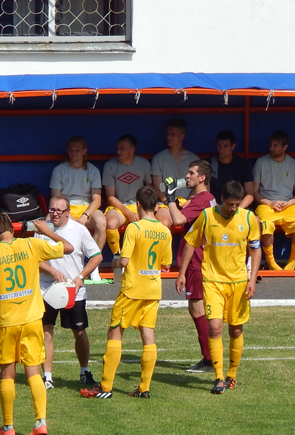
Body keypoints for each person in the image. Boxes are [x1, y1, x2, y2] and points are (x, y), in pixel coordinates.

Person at [0, 214, 72, 435]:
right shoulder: (31, 244)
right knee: (33, 372)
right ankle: (40, 422)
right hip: (32, 319)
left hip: (7, 322)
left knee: (7, 374)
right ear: (12, 230)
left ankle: (8, 426)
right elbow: (68, 247)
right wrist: (47, 231)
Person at [81, 187, 172, 399]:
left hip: (133, 289)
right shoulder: (165, 231)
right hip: (153, 289)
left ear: (138, 204)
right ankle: (144, 388)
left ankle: (106, 387)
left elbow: (123, 261)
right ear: (156, 207)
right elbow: (167, 265)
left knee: (115, 333)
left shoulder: (134, 228)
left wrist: (114, 262)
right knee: (148, 335)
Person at [176, 181, 261, 394]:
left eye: (237, 204)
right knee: (214, 327)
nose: (233, 209)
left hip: (238, 283)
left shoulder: (248, 218)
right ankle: (219, 377)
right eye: (230, 204)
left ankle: (232, 375)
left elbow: (255, 249)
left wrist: (252, 279)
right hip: (212, 281)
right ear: (222, 199)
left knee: (236, 329)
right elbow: (190, 242)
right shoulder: (207, 216)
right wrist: (181, 273)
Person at [37, 195, 103, 388]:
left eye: (59, 210)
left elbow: (96, 256)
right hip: (46, 288)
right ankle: (47, 376)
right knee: (46, 331)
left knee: (80, 332)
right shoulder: (42, 230)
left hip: (73, 290)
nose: (55, 213)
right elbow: (36, 259)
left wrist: (81, 276)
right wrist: (52, 272)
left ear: (68, 212)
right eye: (52, 209)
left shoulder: (79, 230)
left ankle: (84, 371)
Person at [167, 161, 217, 374]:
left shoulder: (203, 198)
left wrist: (170, 199)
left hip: (196, 259)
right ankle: (209, 357)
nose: (187, 176)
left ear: (202, 177)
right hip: (199, 257)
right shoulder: (203, 198)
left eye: (191, 173)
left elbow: (178, 220)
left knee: (197, 308)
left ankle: (209, 359)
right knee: (198, 308)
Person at [103, 134, 169, 260]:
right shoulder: (110, 165)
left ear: (132, 150)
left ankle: (152, 256)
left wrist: (152, 204)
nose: (118, 152)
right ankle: (117, 256)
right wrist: (128, 213)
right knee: (111, 223)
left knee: (160, 222)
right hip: (120, 206)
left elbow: (149, 188)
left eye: (122, 149)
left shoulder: (143, 163)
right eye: (117, 148)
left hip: (141, 204)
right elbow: (110, 197)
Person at [49, 136, 107, 272]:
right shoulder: (59, 170)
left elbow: (97, 199)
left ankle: (93, 267)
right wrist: (69, 217)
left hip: (86, 208)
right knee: (51, 221)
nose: (73, 153)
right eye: (71, 150)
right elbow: (55, 198)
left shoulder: (93, 170)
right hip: (65, 208)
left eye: (77, 150)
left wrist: (85, 215)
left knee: (101, 221)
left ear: (84, 151)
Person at [252, 131, 295, 271]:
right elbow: (254, 192)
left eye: (275, 145)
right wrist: (270, 203)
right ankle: (271, 262)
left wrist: (289, 203)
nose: (271, 148)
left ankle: (292, 262)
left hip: (288, 204)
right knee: (266, 225)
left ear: (285, 147)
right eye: (270, 144)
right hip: (266, 203)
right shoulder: (261, 162)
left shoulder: (293, 164)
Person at [151, 118, 201, 204]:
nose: (168, 137)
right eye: (167, 134)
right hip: (166, 204)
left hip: (189, 203)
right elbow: (158, 188)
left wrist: (188, 203)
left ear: (182, 136)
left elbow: (197, 186)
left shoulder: (194, 160)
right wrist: (168, 203)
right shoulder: (158, 159)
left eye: (173, 134)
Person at [209, 130, 254, 208]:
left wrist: (238, 209)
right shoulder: (209, 164)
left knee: (254, 216)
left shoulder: (243, 164)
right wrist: (216, 208)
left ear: (233, 146)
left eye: (225, 146)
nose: (221, 149)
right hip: (215, 207)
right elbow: (205, 192)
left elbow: (250, 194)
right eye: (219, 145)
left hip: (238, 206)